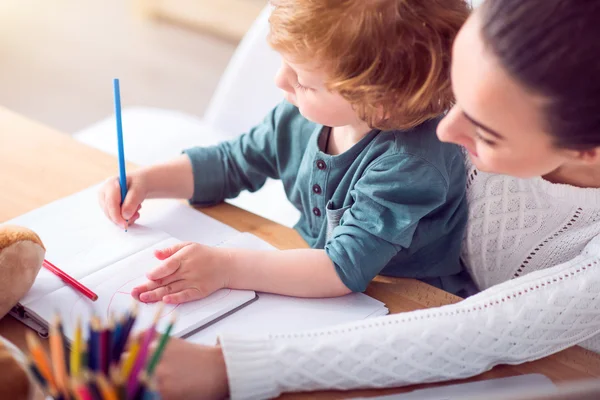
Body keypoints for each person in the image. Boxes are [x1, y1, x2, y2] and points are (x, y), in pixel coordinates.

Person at [150, 0, 600, 399]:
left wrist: (228, 368)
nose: (443, 131)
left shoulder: (416, 157)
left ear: (587, 150)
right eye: (456, 93)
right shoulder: (525, 41)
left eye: (485, 129)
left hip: (539, 358)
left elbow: (479, 332)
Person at [98, 0, 471, 303]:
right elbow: (233, 162)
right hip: (311, 272)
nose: (280, 81)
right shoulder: (298, 117)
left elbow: (342, 268)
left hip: (406, 299)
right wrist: (147, 181)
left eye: (304, 82)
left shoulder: (410, 165)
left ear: (380, 104)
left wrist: (226, 267)